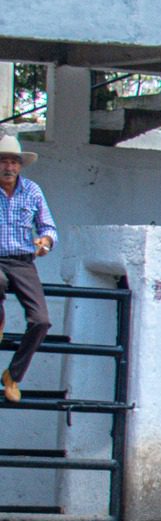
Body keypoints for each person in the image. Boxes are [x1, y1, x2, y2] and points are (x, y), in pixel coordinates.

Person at [0, 132, 56, 405]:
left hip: (23, 261)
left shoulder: (32, 191)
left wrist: (44, 242)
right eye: (3, 161)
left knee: (42, 321)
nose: (8, 167)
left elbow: (48, 228)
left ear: (20, 165)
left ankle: (13, 374)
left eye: (13, 161)